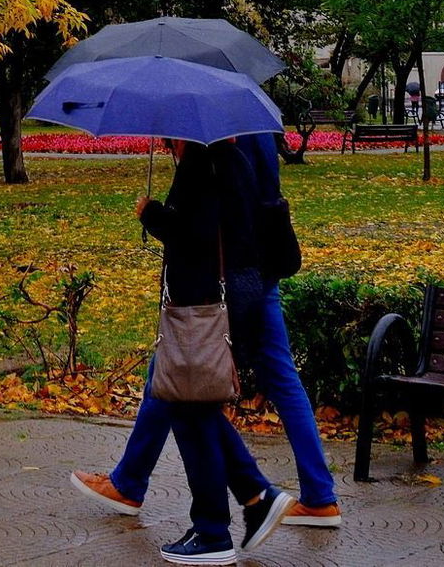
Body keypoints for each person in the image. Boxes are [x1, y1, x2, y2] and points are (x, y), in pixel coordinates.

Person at [71, 131, 340, 531]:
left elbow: (202, 220)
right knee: (272, 378)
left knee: (176, 378)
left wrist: (155, 211)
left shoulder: (214, 142)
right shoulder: (255, 123)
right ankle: (317, 496)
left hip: (225, 276)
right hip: (259, 266)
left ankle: (173, 496)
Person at [94, 137, 297, 564]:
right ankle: (255, 495)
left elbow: (195, 235)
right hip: (235, 292)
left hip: (203, 301)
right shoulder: (231, 159)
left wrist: (152, 215)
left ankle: (212, 532)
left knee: (189, 407)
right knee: (195, 407)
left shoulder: (203, 164)